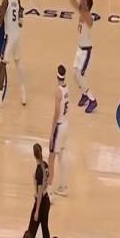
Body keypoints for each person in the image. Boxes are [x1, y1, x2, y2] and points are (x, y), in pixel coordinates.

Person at [0, 0, 26, 107]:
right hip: (17, 35)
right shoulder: (17, 0)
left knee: (2, 65)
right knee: (18, 64)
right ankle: (23, 95)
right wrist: (20, 21)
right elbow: (21, 14)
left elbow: (1, 19)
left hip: (9, 37)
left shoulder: (5, 1)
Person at [70, 0, 97, 113]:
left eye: (84, 2)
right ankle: (84, 94)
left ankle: (92, 99)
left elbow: (82, 7)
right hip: (79, 49)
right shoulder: (82, 12)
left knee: (80, 75)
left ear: (87, 6)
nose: (81, 3)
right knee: (75, 76)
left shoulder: (89, 18)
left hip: (86, 52)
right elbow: (71, 0)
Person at [48, 65, 69, 198]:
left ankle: (49, 192)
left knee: (51, 159)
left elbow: (56, 113)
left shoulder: (58, 92)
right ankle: (63, 186)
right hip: (66, 125)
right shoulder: (67, 89)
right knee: (62, 156)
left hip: (59, 126)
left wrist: (51, 133)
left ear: (56, 76)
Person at [27, 144, 51, 238]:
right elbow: (47, 180)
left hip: (40, 203)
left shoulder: (39, 171)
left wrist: (37, 211)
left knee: (31, 229)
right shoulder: (45, 165)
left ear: (34, 154)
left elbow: (40, 192)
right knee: (45, 228)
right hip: (46, 200)